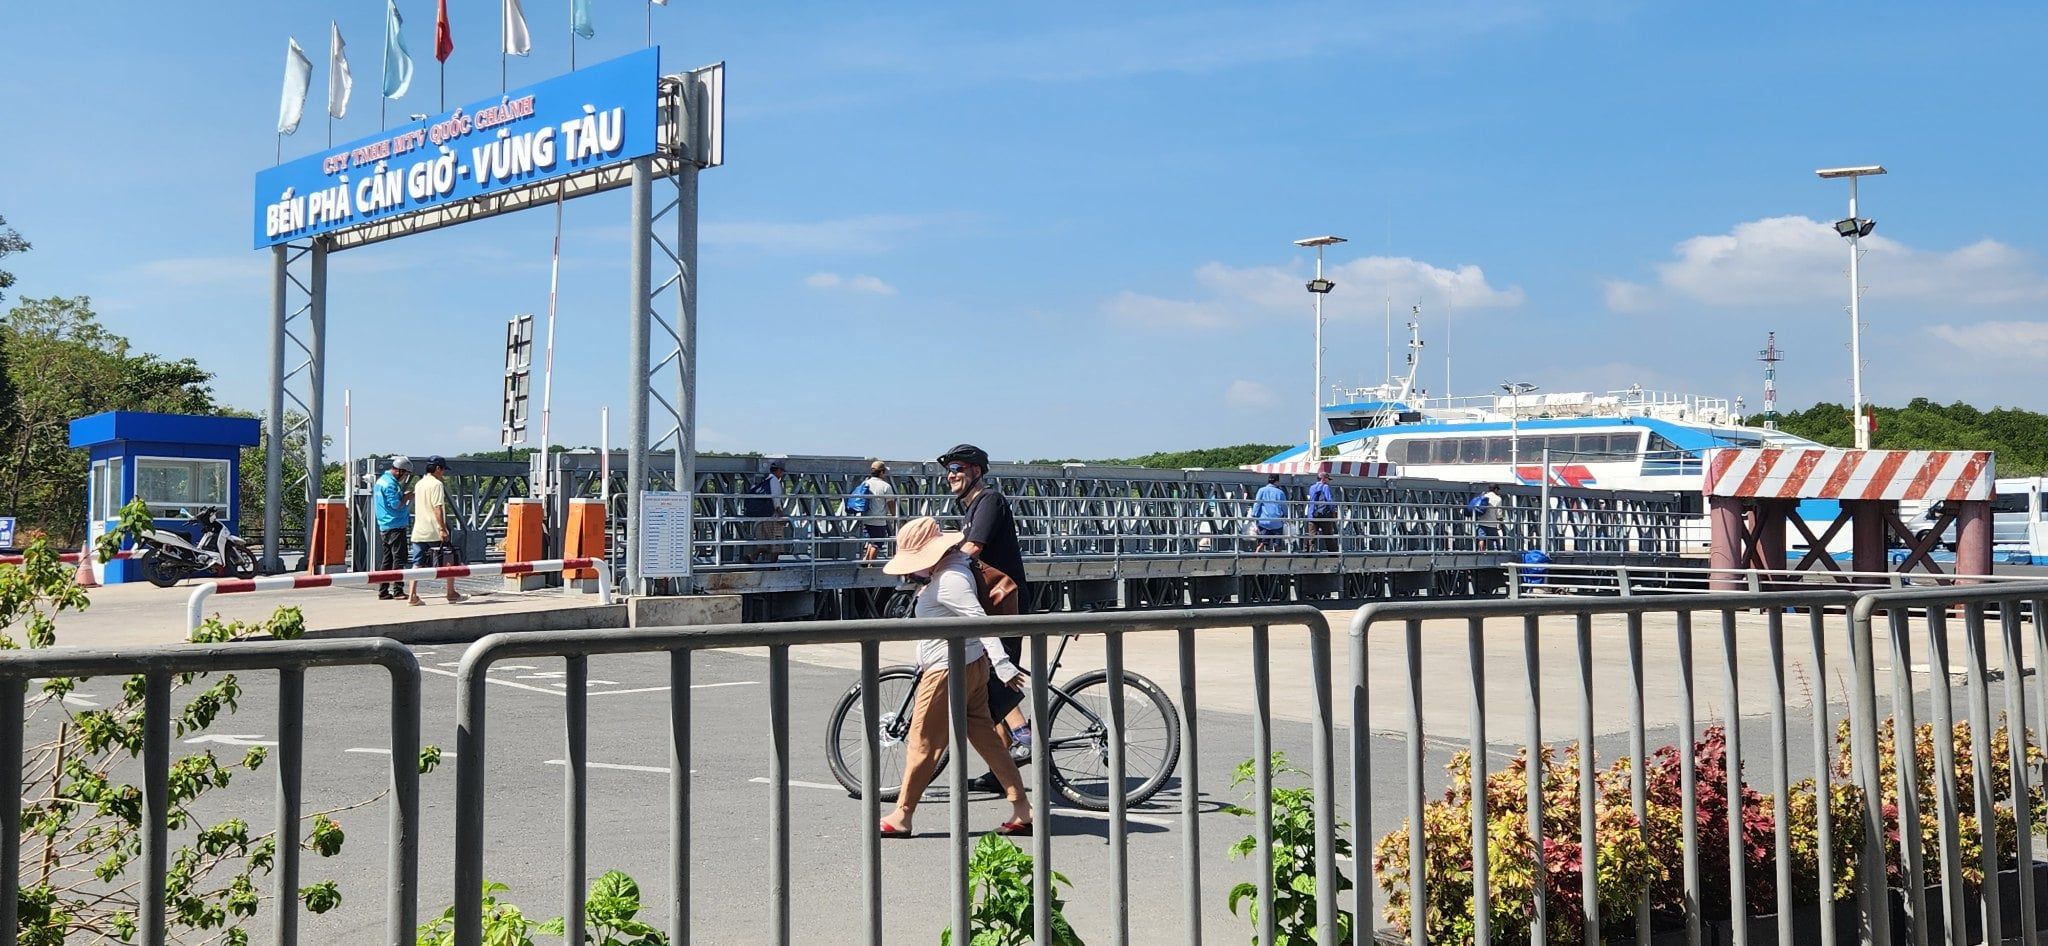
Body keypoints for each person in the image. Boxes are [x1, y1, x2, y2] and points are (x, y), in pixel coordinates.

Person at [876, 516, 1032, 838]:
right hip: (969, 666)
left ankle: (903, 814)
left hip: (946, 670)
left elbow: (978, 620)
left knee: (922, 741)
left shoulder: (949, 579)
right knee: (986, 738)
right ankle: (1022, 807)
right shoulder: (954, 568)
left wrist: (1003, 663)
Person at [407, 456, 466, 606]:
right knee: (448, 560)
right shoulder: (437, 484)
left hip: (419, 530)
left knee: (417, 564)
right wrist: (442, 528)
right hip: (434, 530)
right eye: (443, 469)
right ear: (438, 468)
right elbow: (437, 507)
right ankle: (451, 593)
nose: (443, 473)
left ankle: (412, 595)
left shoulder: (419, 484)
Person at [372, 457, 414, 599]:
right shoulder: (391, 484)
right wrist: (406, 497)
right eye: (405, 474)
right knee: (399, 558)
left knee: (387, 559)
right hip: (395, 524)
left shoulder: (381, 481)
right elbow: (396, 504)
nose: (405, 477)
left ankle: (383, 590)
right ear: (400, 471)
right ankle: (398, 590)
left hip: (384, 524)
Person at [855, 460, 898, 561]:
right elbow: (890, 503)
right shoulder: (885, 486)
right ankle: (870, 564)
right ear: (882, 472)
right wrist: (895, 515)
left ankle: (865, 560)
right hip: (878, 520)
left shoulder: (865, 483)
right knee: (877, 544)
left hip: (866, 518)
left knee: (871, 541)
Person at [748, 461, 789, 564]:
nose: (782, 474)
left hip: (763, 515)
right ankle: (772, 565)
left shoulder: (764, 480)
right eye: (782, 471)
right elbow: (776, 499)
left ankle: (752, 557)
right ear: (778, 470)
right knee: (777, 543)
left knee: (764, 543)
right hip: (773, 516)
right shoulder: (774, 481)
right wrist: (781, 515)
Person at [1252, 474, 1288, 552]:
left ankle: (1256, 553)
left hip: (1263, 520)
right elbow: (1284, 506)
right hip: (1277, 521)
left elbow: (1257, 504)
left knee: (1262, 542)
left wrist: (1254, 515)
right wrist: (1286, 514)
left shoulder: (1261, 490)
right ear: (1277, 481)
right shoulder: (1280, 492)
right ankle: (1277, 554)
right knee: (1277, 542)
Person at [1306, 470, 1337, 553]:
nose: (1329, 481)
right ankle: (1332, 553)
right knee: (1328, 535)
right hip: (1323, 515)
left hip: (1312, 514)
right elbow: (1329, 500)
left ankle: (1309, 552)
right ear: (1324, 479)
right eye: (1328, 479)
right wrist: (1333, 511)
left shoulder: (1312, 487)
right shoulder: (1325, 487)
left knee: (1312, 535)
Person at [1473, 484, 1503, 551]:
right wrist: (1500, 521)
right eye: (1498, 490)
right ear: (1495, 489)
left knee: (1481, 538)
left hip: (1482, 522)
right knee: (1497, 539)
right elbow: (1499, 513)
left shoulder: (1484, 496)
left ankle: (1481, 551)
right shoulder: (1498, 499)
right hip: (1492, 523)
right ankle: (1499, 551)